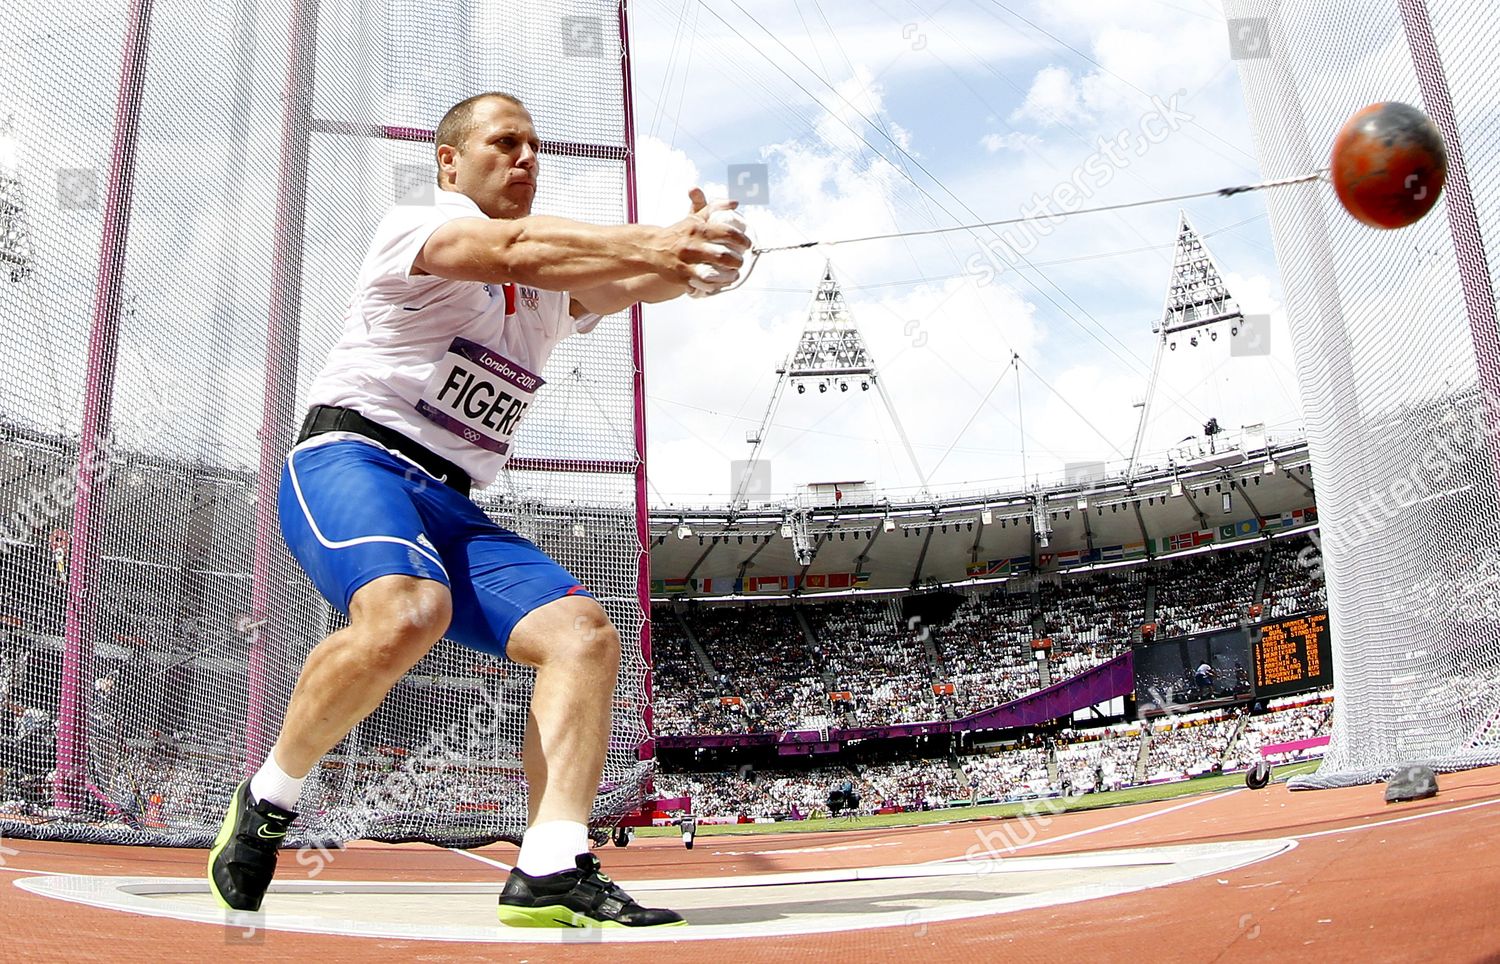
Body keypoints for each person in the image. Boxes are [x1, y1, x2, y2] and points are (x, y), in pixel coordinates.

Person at [208, 91, 750, 928]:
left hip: (453, 503)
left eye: (536, 144)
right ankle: (270, 797)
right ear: (449, 162)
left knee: (584, 636)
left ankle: (550, 863)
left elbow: (635, 278)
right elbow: (522, 247)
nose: (527, 156)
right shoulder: (415, 228)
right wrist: (656, 241)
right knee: (408, 613)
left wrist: (706, 260)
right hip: (353, 460)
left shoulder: (549, 290)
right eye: (506, 141)